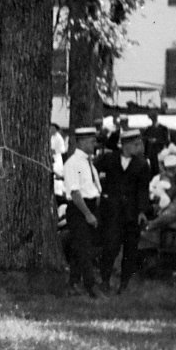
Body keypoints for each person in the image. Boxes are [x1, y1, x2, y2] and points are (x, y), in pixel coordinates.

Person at [97, 129, 149, 293]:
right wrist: (100, 190)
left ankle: (124, 283)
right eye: (135, 144)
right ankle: (104, 280)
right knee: (110, 246)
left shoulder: (141, 164)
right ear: (126, 145)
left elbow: (143, 189)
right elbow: (90, 171)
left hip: (132, 214)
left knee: (130, 249)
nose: (138, 147)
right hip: (113, 211)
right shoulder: (109, 158)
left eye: (139, 144)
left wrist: (142, 211)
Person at [60, 126, 102, 297]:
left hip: (91, 206)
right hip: (80, 209)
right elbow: (75, 192)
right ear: (82, 142)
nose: (95, 144)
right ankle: (91, 286)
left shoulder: (88, 162)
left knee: (81, 247)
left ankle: (73, 283)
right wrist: (87, 214)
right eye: (92, 141)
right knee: (84, 249)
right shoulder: (74, 164)